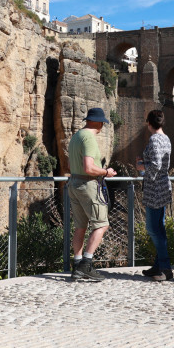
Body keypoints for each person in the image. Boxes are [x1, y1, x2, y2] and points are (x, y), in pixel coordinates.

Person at [68, 107, 117, 282]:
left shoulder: (76, 136)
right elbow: (88, 167)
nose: (102, 127)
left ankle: (77, 264)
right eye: (102, 123)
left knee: (80, 226)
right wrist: (106, 172)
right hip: (87, 184)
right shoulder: (88, 138)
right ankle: (86, 265)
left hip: (73, 183)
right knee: (101, 224)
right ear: (97, 122)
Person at [135, 110, 173, 281]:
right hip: (163, 186)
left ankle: (165, 268)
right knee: (160, 227)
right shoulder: (166, 138)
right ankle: (159, 266)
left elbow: (156, 164)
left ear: (149, 123)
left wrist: (141, 167)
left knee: (152, 228)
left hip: (155, 189)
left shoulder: (155, 139)